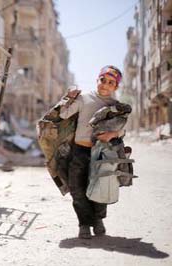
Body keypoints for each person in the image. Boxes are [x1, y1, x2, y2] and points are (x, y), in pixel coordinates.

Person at [59, 65, 123, 239]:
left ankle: (98, 220)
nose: (105, 85)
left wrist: (113, 134)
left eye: (111, 82)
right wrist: (68, 98)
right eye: (103, 80)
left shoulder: (116, 106)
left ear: (115, 87)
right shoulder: (84, 98)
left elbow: (123, 129)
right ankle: (84, 224)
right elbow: (64, 115)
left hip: (102, 153)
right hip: (79, 151)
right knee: (77, 189)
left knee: (100, 188)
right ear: (98, 79)